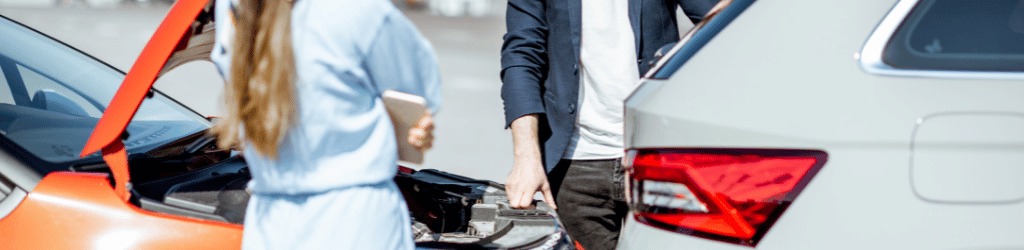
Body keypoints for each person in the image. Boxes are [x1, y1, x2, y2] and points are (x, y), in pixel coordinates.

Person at [209, 0, 442, 249]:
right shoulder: (356, 8)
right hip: (356, 221)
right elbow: (419, 90)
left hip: (269, 222)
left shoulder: (231, 6)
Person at [499, 0, 716, 249]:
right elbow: (521, 55)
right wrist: (526, 158)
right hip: (576, 165)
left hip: (655, 158)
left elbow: (725, 20)